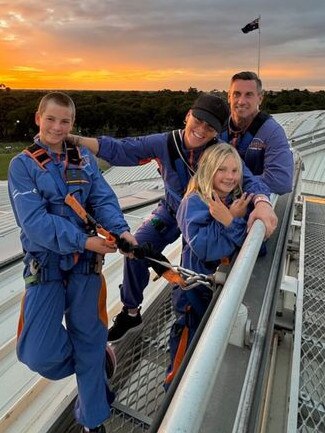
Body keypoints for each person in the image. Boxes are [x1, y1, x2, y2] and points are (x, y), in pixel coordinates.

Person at [68, 93, 277, 343]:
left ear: (216, 132)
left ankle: (190, 315)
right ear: (188, 115)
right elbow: (123, 149)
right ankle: (131, 311)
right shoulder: (166, 143)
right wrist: (75, 139)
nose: (200, 129)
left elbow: (249, 179)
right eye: (198, 120)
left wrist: (262, 203)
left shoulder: (219, 153)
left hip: (202, 215)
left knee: (194, 263)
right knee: (136, 247)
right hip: (171, 210)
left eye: (209, 127)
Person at [8, 92, 136, 433]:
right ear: (38, 118)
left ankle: (94, 420)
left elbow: (103, 199)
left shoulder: (85, 160)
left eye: (65, 121)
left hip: (85, 268)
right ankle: (96, 357)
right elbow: (34, 224)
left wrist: (121, 232)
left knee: (88, 339)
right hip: (46, 269)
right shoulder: (22, 166)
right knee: (36, 353)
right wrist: (83, 239)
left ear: (72, 124)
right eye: (51, 119)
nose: (57, 127)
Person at [165, 143, 252, 387]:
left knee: (209, 348)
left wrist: (230, 220)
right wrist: (231, 220)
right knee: (184, 357)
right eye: (222, 170)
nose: (230, 177)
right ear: (208, 170)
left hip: (217, 291)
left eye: (235, 170)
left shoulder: (232, 200)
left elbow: (247, 245)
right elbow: (207, 249)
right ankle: (171, 405)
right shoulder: (194, 202)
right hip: (193, 296)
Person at [220, 71, 294, 195]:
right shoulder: (218, 127)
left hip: (253, 203)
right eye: (236, 94)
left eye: (249, 95)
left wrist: (228, 182)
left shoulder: (272, 131)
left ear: (260, 98)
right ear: (229, 97)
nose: (241, 101)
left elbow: (281, 182)